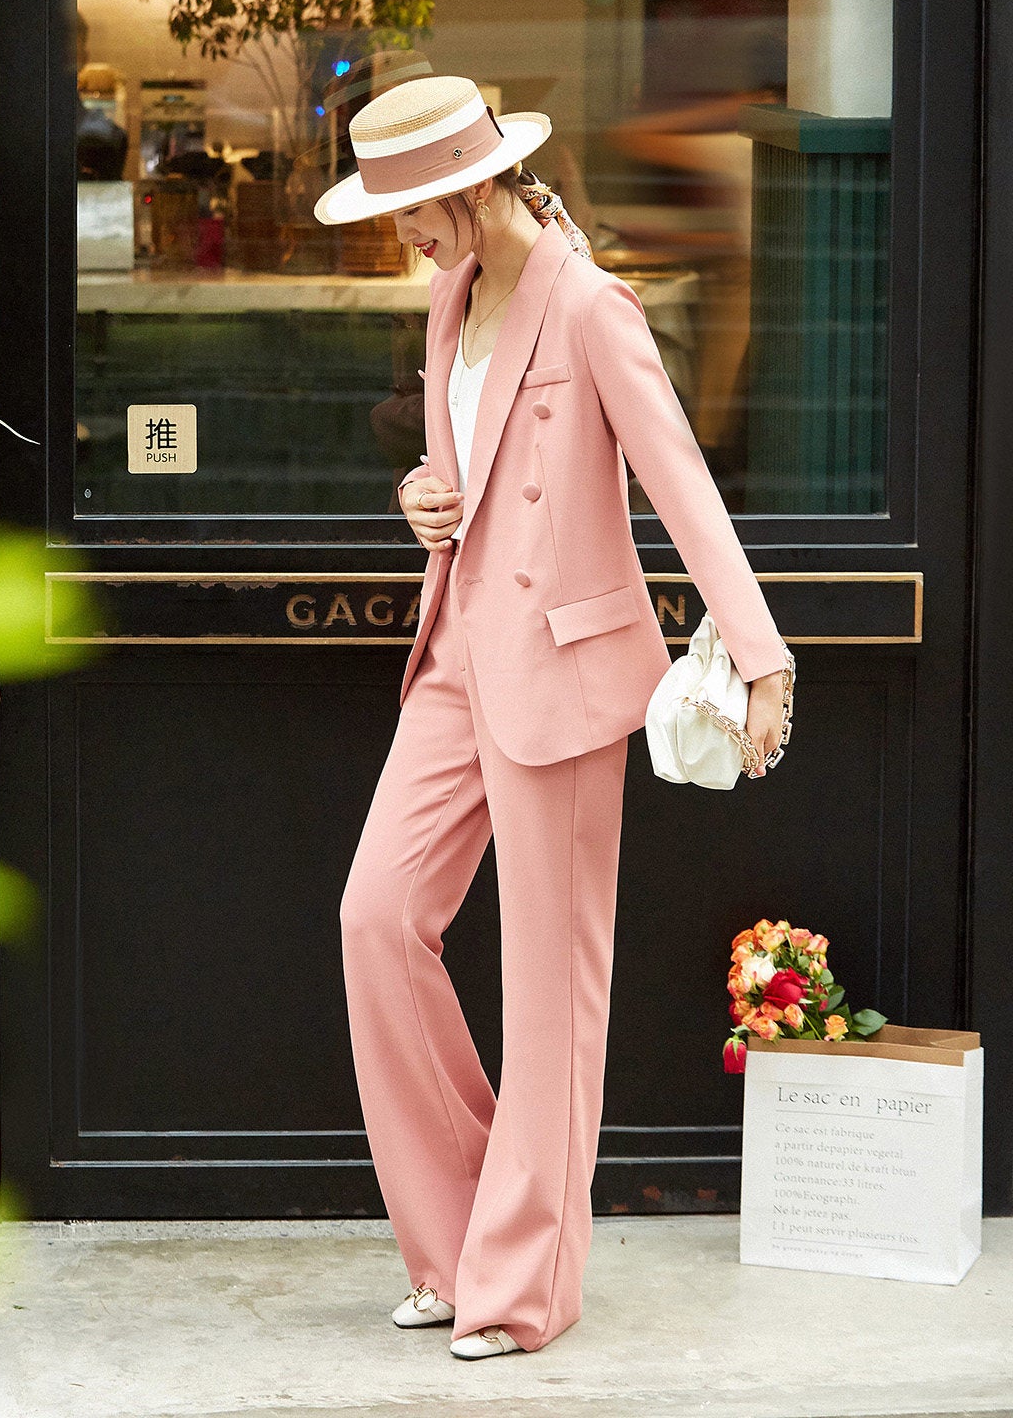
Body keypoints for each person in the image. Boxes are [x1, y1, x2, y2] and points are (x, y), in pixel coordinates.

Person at [313, 75, 792, 1360]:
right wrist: (429, 497)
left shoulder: (590, 304)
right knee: (376, 920)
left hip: (567, 678)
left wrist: (760, 654)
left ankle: (522, 1285)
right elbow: (467, 471)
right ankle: (460, 1237)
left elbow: (676, 477)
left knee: (549, 995)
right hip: (459, 657)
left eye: (412, 209)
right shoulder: (450, 293)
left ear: (474, 187)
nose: (399, 235)